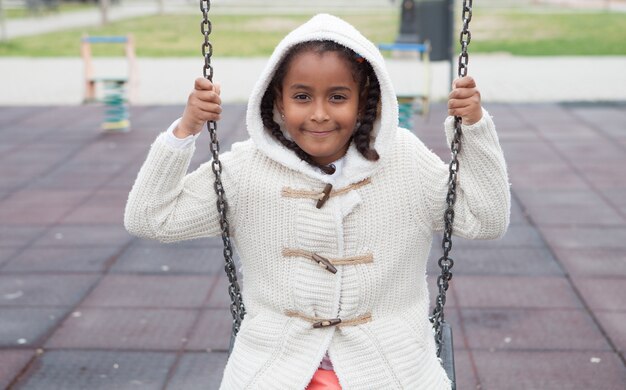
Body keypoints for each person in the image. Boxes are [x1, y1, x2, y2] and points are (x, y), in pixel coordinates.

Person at [124, 13, 510, 390]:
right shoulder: (246, 170)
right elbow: (149, 218)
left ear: (363, 102)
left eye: (338, 97)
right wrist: (185, 131)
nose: (320, 114)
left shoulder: (404, 161)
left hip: (391, 365)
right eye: (303, 97)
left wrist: (474, 130)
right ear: (278, 99)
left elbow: (487, 219)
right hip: (276, 363)